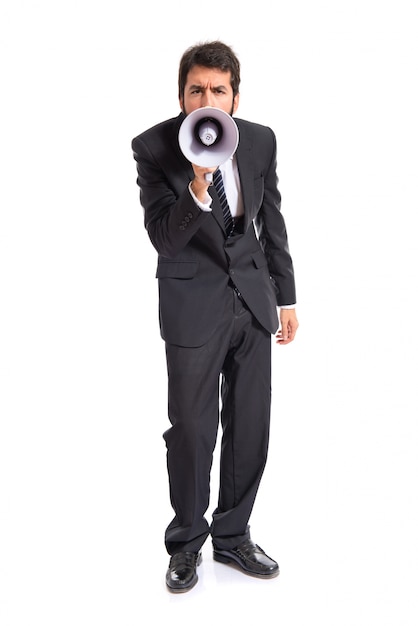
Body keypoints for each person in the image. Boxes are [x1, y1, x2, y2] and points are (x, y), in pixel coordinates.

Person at [131, 40, 299, 593]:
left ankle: (232, 537)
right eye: (196, 89)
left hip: (252, 304)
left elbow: (270, 221)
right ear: (182, 96)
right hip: (191, 307)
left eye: (218, 90)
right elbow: (165, 239)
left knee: (250, 426)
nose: (208, 98)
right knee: (192, 431)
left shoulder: (260, 141)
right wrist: (197, 187)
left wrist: (286, 298)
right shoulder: (154, 148)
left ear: (234, 96)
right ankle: (185, 544)